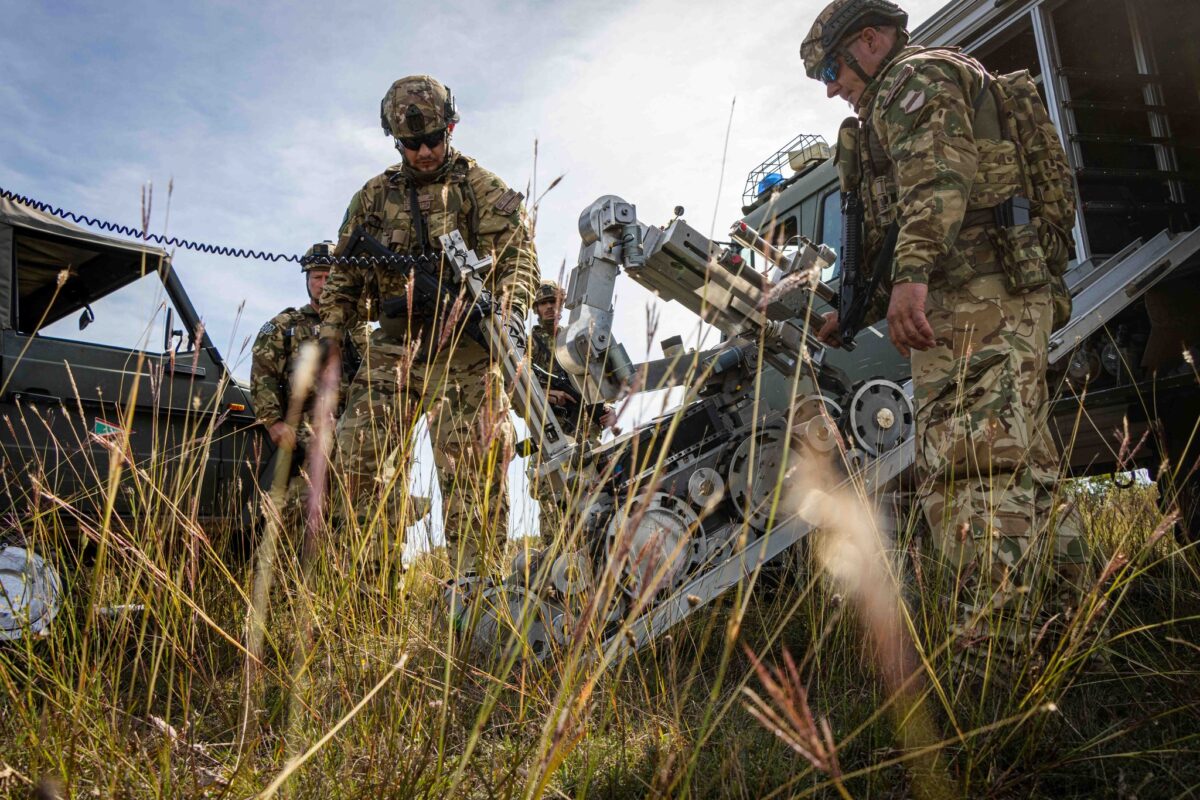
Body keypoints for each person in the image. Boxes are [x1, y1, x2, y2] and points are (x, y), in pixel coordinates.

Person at [800, 0, 1087, 665]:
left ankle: (994, 660)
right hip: (1000, 298)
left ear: (869, 41)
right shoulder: (926, 82)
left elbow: (939, 177)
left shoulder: (911, 79)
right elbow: (916, 203)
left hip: (975, 304)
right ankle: (1074, 628)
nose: (832, 89)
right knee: (1030, 472)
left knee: (971, 474)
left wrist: (913, 275)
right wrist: (861, 305)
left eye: (831, 70)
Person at [320, 75, 540, 576]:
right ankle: (365, 588)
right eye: (411, 143)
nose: (423, 151)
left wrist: (510, 311)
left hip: (467, 346)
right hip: (397, 342)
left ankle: (475, 598)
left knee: (475, 470)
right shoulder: (372, 197)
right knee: (355, 459)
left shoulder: (481, 188)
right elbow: (344, 279)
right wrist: (331, 340)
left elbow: (519, 259)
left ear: (452, 126)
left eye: (433, 139)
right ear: (396, 142)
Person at [250, 241, 368, 510]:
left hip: (353, 431)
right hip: (304, 432)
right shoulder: (285, 326)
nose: (323, 283)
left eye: (330, 277)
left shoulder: (358, 328)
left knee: (353, 509)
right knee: (300, 510)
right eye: (317, 277)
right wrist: (273, 422)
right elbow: (263, 374)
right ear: (307, 279)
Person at [527, 279, 618, 544]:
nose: (549, 308)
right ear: (535, 308)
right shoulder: (528, 344)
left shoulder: (574, 339)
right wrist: (545, 395)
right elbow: (513, 386)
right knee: (553, 503)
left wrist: (608, 410)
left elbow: (598, 381)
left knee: (599, 499)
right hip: (550, 434)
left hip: (586, 433)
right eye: (543, 303)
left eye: (554, 302)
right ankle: (556, 569)